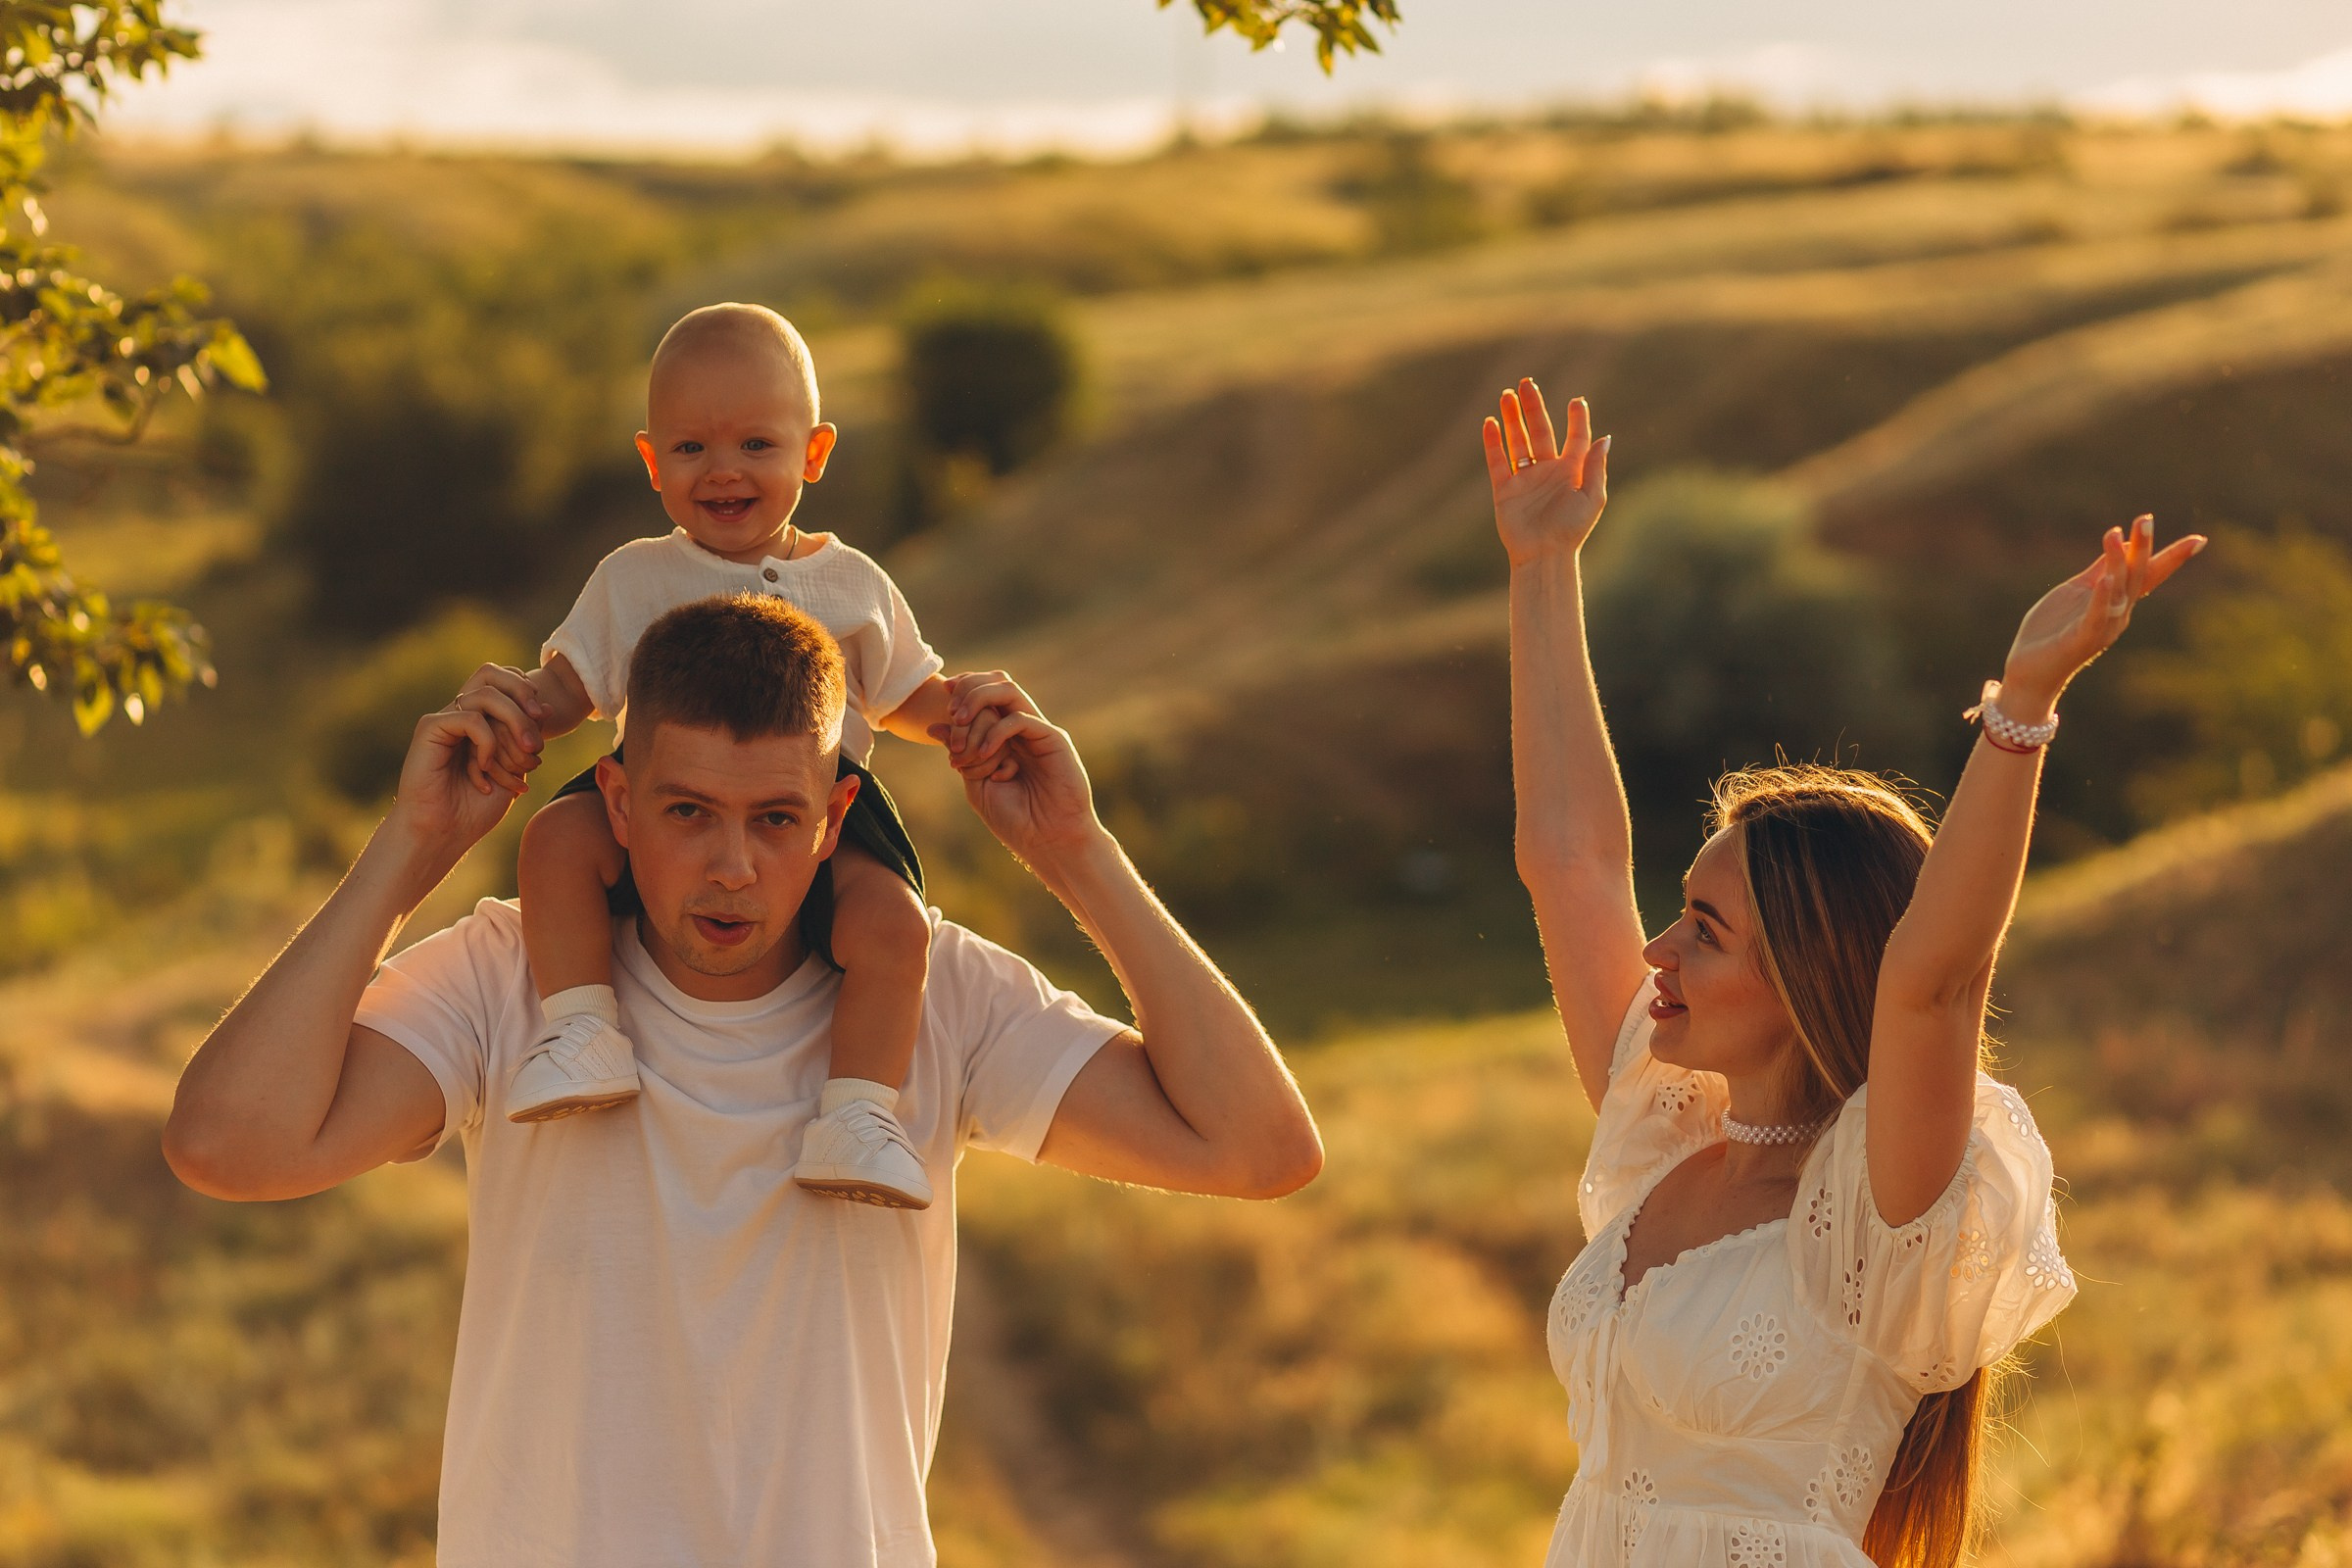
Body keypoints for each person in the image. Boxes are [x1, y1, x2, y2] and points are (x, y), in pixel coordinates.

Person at [162, 592, 1322, 1567]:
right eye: (687, 812)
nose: (731, 865)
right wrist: (410, 848)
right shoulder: (508, 975)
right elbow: (229, 1142)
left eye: (776, 818)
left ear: (836, 819)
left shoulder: (939, 992)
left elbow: (1257, 1149)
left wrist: (1078, 854)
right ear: (618, 804)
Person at [1488, 378, 2201, 1567]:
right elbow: (1566, 855)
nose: (1657, 954)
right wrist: (1541, 566)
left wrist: (2023, 705)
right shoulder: (1663, 1135)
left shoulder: (1877, 1207)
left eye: (1704, 931)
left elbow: (1933, 977)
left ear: (1812, 975)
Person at [464, 301, 962, 1210]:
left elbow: (906, 698)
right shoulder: (637, 576)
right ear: (652, 461)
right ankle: (581, 1031)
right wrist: (514, 710)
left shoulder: (850, 584)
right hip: (660, 807)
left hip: (820, 813)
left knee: (894, 927)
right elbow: (573, 690)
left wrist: (968, 720)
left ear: (813, 454)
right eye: (690, 449)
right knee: (555, 845)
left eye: (757, 448)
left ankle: (857, 1113)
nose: (723, 471)